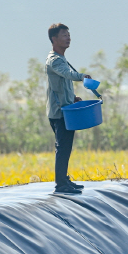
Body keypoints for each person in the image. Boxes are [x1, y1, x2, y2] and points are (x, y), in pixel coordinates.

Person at [46, 23, 91, 194]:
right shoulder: (55, 60)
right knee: (63, 147)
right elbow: (67, 74)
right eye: (64, 35)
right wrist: (81, 76)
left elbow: (60, 85)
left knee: (65, 147)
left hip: (66, 108)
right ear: (54, 39)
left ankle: (64, 180)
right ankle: (61, 184)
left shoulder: (61, 58)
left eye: (68, 34)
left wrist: (72, 97)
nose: (68, 37)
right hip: (59, 112)